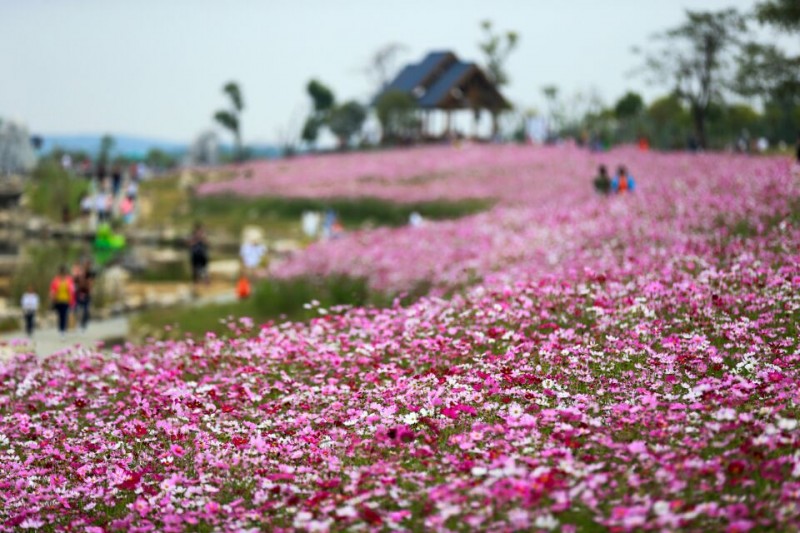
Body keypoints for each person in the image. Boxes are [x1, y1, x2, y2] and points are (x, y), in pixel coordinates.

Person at [49, 266, 75, 337]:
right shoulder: (55, 280)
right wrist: (52, 297)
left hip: (66, 300)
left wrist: (72, 300)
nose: (63, 274)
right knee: (60, 315)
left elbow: (72, 290)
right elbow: (52, 290)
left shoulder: (69, 280)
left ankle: (63, 330)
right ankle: (60, 329)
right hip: (58, 300)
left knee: (64, 315)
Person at [73, 260, 95, 331]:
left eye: (88, 265)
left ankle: (84, 323)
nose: (87, 266)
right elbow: (75, 281)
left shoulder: (90, 273)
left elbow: (91, 283)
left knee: (86, 309)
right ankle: (78, 322)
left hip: (86, 293)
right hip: (79, 292)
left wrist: (90, 289)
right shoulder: (80, 273)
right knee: (77, 308)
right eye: (86, 265)